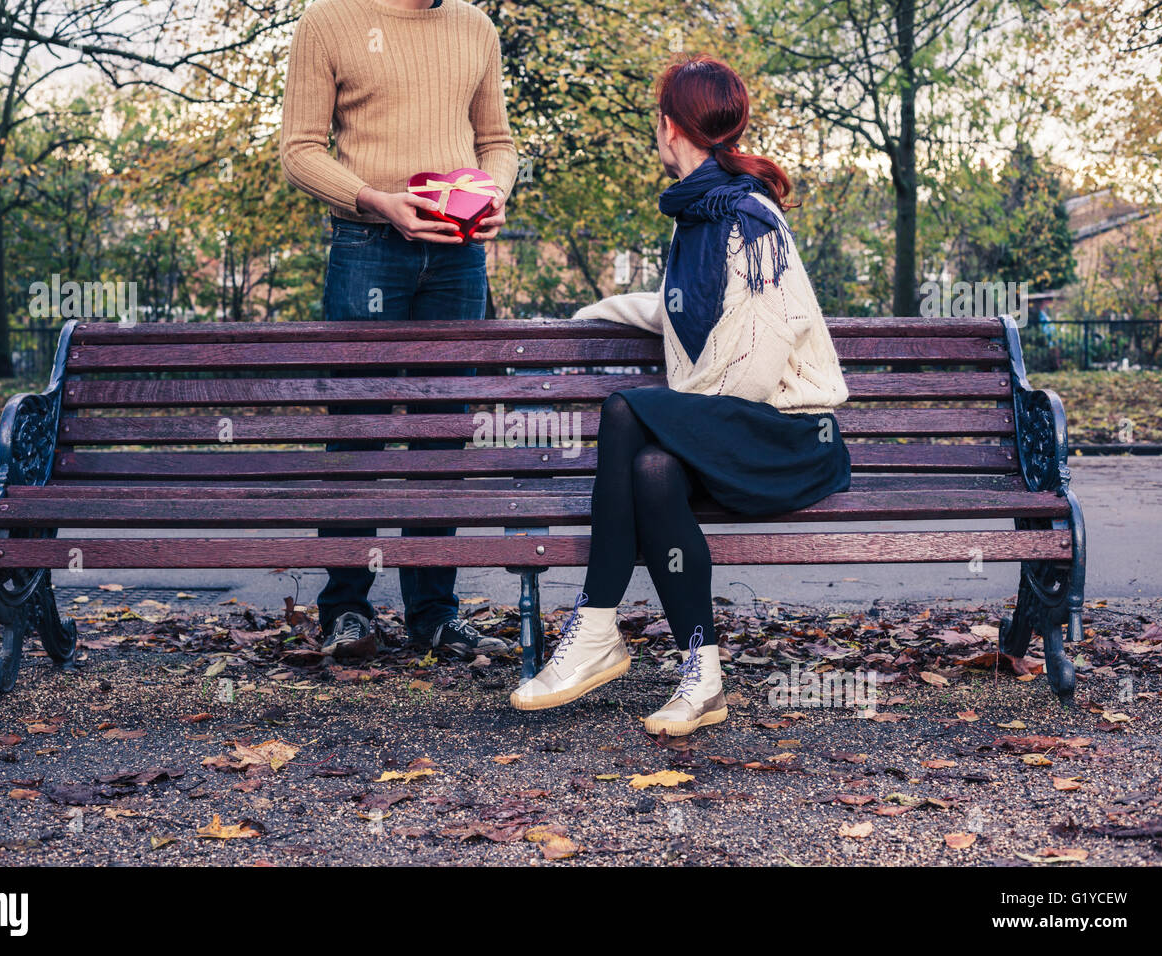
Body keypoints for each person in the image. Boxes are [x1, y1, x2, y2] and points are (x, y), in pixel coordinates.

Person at [510, 54, 852, 736]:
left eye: (657, 124)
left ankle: (596, 625)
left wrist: (677, 413)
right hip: (737, 435)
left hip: (790, 438)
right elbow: (688, 310)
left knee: (629, 408)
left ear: (669, 129)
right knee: (653, 470)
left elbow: (753, 368)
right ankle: (704, 678)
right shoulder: (697, 218)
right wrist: (601, 310)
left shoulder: (750, 221)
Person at [280, 0, 518, 658]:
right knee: (356, 431)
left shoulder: (476, 28)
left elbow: (497, 144)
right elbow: (298, 151)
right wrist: (378, 201)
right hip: (365, 246)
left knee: (442, 433)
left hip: (458, 256)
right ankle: (347, 612)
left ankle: (434, 617)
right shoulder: (328, 21)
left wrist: (495, 191)